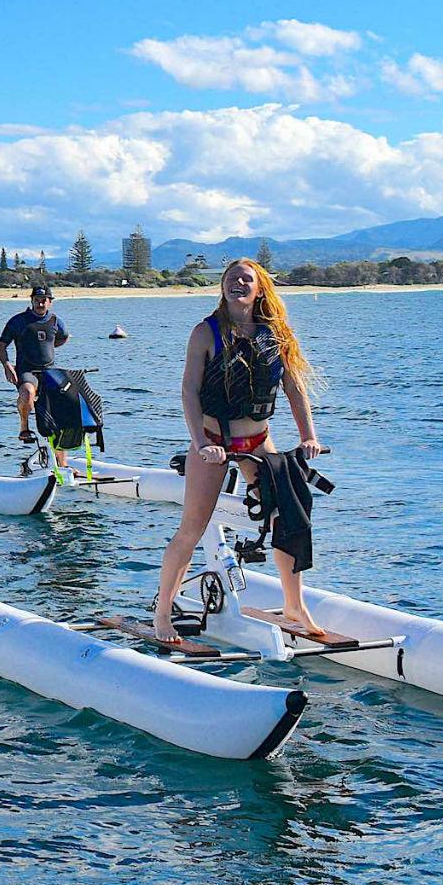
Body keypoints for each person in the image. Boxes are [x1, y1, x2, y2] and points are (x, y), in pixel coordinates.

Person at [150, 260, 331, 642]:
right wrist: (201, 445)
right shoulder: (205, 332)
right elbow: (189, 392)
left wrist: (308, 437)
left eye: (246, 280)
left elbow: (295, 390)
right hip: (213, 440)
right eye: (232, 279)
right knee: (192, 529)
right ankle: (162, 612)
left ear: (260, 288)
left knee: (288, 517)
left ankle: (294, 605)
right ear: (223, 287)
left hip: (259, 441)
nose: (238, 284)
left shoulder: (276, 334)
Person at [0, 285, 67, 443]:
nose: (40, 304)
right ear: (32, 300)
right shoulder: (19, 321)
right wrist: (7, 365)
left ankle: (62, 462)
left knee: (64, 404)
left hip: (49, 371)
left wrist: (48, 346)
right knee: (28, 393)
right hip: (26, 371)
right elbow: (1, 347)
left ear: (50, 302)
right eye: (37, 300)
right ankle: (24, 428)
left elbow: (64, 337)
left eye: (43, 301)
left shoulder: (56, 321)